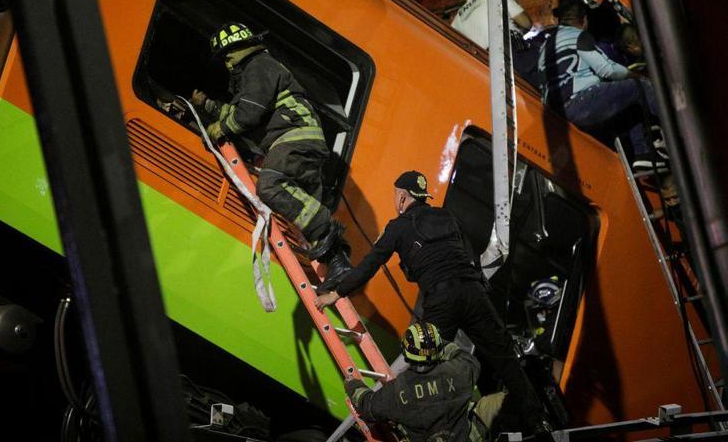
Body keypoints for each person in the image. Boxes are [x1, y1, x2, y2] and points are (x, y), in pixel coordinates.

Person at [314, 171, 553, 441]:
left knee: (425, 367)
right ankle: (539, 424)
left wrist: (337, 292)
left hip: (442, 301)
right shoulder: (447, 217)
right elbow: (464, 255)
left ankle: (428, 431)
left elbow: (371, 264)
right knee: (506, 361)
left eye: (396, 196)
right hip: (474, 293)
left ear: (402, 197)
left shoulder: (398, 226)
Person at [192, 22, 351, 292]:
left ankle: (326, 230)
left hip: (294, 138)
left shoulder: (258, 66)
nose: (227, 64)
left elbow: (248, 114)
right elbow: (239, 110)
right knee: (303, 209)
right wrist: (207, 106)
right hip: (296, 141)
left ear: (239, 48)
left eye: (227, 56)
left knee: (270, 185)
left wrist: (219, 128)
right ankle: (339, 265)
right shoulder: (257, 73)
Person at [537, 0, 667, 172]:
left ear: (559, 21)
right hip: (581, 101)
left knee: (627, 104)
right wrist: (636, 76)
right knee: (640, 86)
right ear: (584, 20)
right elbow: (607, 69)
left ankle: (644, 156)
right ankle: (676, 131)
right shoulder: (579, 36)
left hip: (559, 116)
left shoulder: (545, 47)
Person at [345, 321, 507, 442]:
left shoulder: (397, 391)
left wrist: (352, 384)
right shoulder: (459, 371)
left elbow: (367, 405)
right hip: (467, 439)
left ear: (407, 354)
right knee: (498, 401)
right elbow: (467, 359)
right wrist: (437, 344)